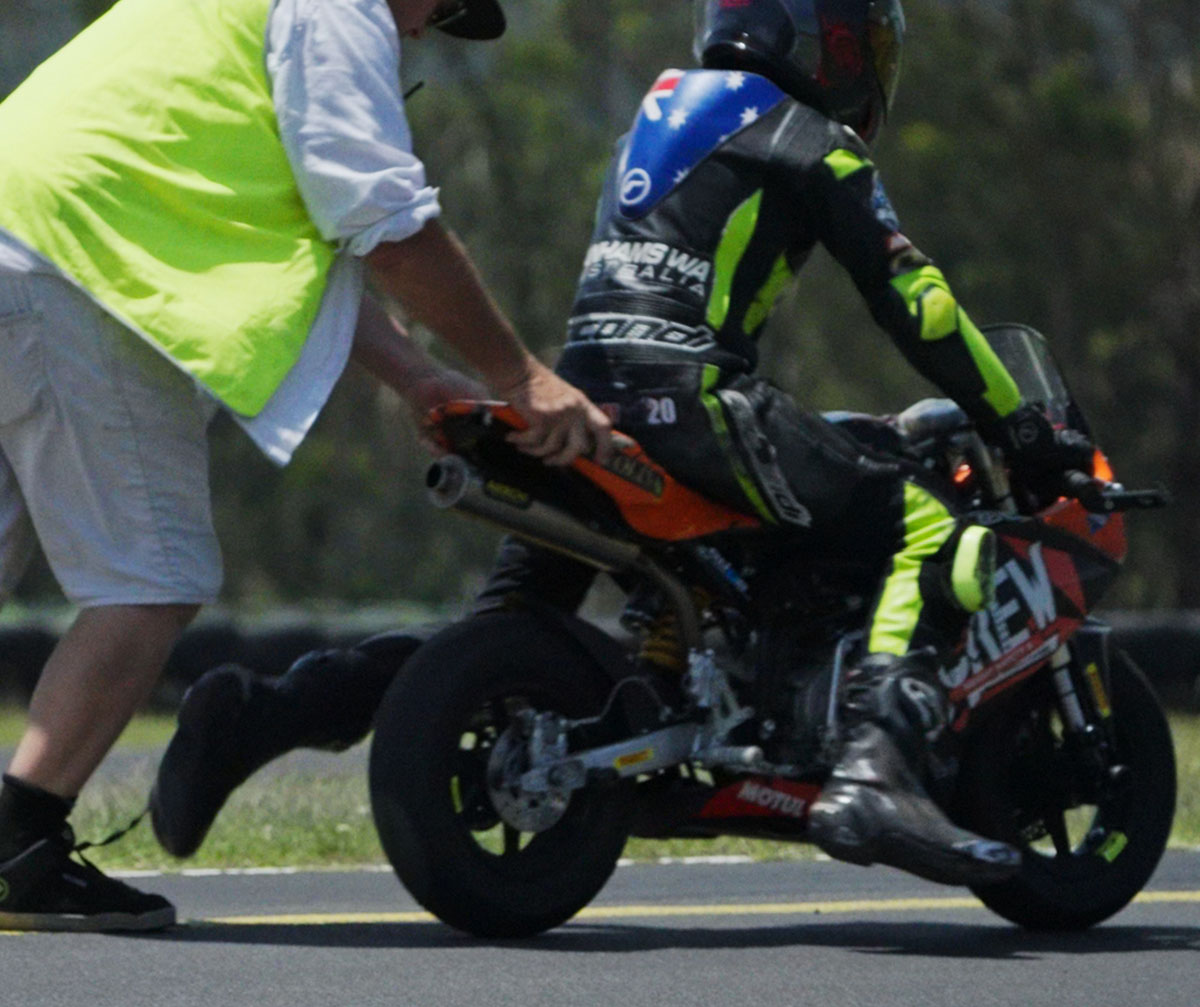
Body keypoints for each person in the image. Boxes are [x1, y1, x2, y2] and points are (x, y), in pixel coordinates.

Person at [151, 0, 1093, 887]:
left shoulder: (660, 112)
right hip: (698, 405)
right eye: (861, 45)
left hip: (582, 409)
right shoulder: (812, 140)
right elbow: (916, 304)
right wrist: (1024, 421)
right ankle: (878, 768)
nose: (865, 68)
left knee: (511, 631)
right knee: (921, 519)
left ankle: (269, 712)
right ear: (819, 39)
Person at [0, 0, 613, 933]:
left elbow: (320, 242)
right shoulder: (336, 9)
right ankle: (19, 849)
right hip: (73, 269)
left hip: (20, 234)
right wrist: (520, 375)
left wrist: (413, 376)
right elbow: (385, 225)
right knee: (151, 578)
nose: (424, 36)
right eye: (441, 12)